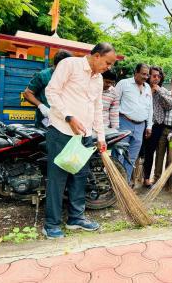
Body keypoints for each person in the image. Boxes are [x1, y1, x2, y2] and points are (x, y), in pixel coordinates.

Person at [43, 43, 116, 239]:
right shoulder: (70, 64)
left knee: (79, 177)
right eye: (107, 62)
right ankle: (51, 224)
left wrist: (100, 137)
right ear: (97, 56)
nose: (108, 67)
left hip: (84, 136)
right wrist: (68, 116)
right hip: (61, 130)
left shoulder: (99, 78)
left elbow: (97, 108)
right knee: (57, 179)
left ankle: (76, 218)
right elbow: (52, 92)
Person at [115, 63, 153, 183]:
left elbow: (150, 108)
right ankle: (115, 184)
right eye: (143, 74)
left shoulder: (147, 87)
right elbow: (114, 103)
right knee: (119, 155)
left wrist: (149, 126)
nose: (146, 77)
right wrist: (114, 124)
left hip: (140, 127)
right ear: (135, 72)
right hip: (124, 123)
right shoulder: (123, 83)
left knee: (131, 157)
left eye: (147, 75)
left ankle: (124, 184)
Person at [23, 50, 72, 128]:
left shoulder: (69, 76)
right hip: (45, 122)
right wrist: (41, 106)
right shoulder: (43, 75)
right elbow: (27, 93)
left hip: (64, 121)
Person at [143, 66, 172, 187]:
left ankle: (147, 179)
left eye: (159, 76)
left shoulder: (164, 91)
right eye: (154, 75)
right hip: (142, 124)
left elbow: (169, 106)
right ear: (149, 76)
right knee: (141, 153)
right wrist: (150, 92)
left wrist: (159, 91)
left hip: (157, 127)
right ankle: (135, 177)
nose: (156, 78)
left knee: (151, 152)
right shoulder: (143, 88)